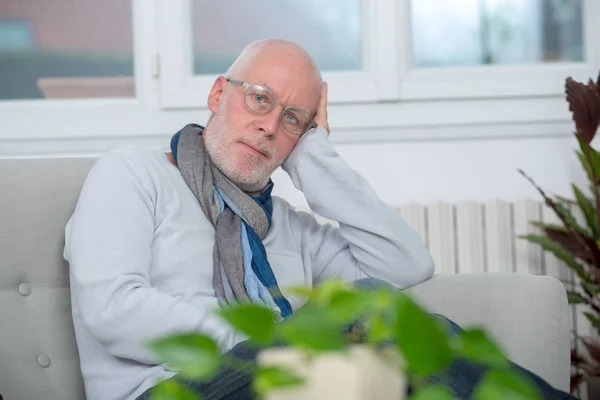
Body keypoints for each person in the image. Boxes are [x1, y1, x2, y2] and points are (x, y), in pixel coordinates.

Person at [64, 38, 574, 400]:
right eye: (260, 98)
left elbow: (407, 265)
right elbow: (112, 307)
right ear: (219, 94)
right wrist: (270, 342)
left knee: (385, 315)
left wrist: (314, 157)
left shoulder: (286, 226)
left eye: (291, 119)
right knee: (353, 325)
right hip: (170, 388)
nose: (268, 126)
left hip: (284, 383)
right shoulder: (132, 174)